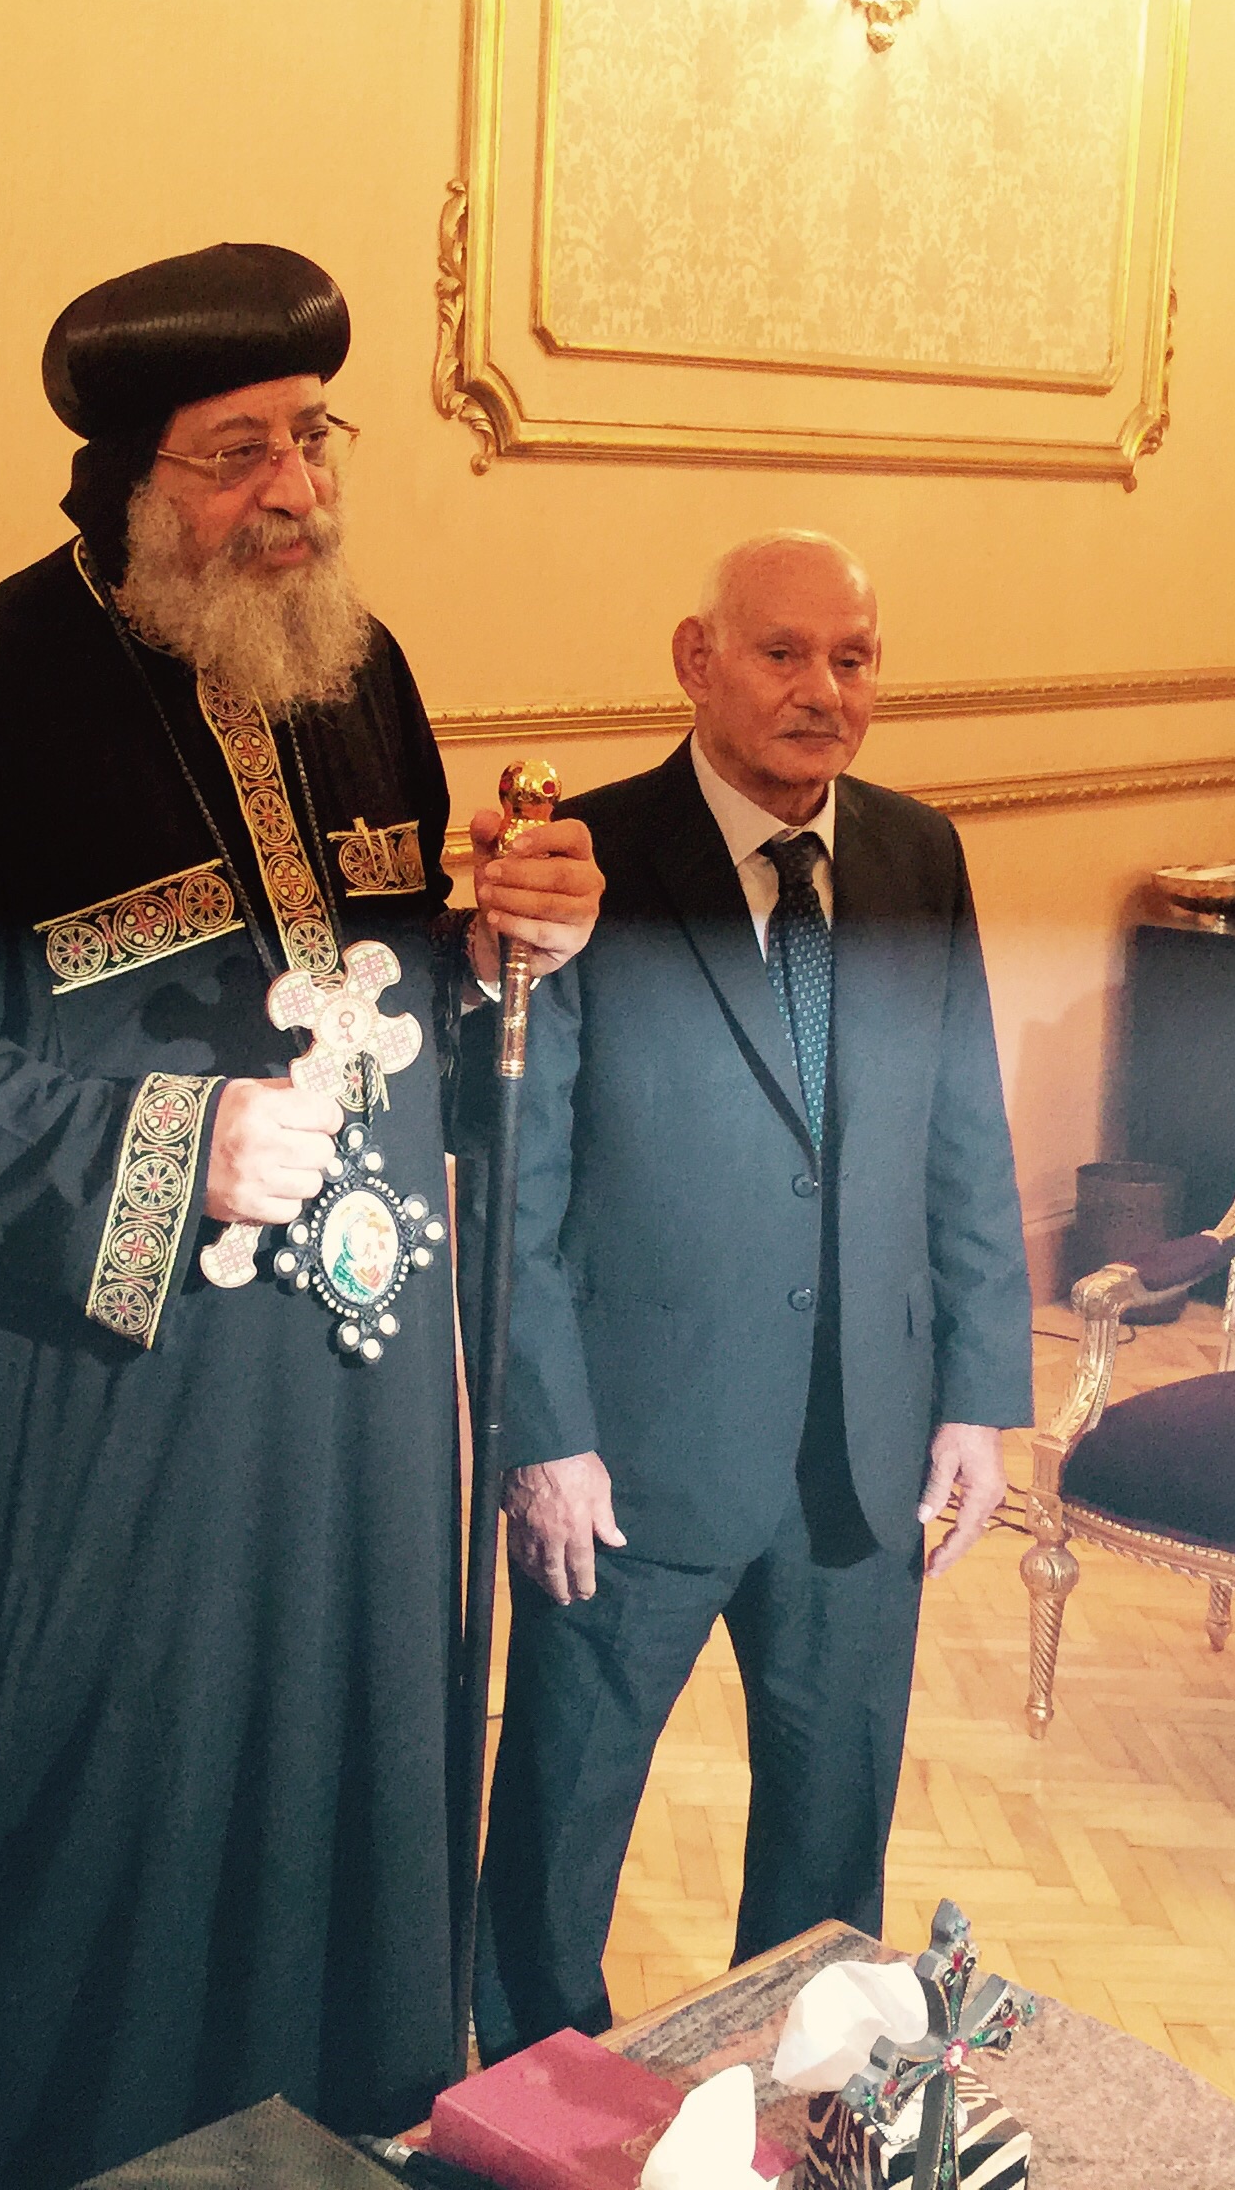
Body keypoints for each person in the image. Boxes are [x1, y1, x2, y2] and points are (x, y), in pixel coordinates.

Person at [0, 242, 602, 2188]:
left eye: (312, 439)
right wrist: (153, 1150)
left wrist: (510, 955)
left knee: (346, 1788)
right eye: (238, 454)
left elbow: (390, 985)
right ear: (127, 481)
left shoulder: (359, 673)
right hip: (104, 1417)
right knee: (107, 1841)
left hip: (352, 1412)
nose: (295, 490)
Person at [471, 530, 1032, 2056]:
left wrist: (979, 1394)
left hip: (862, 1448)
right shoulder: (584, 861)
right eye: (783, 654)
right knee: (559, 1834)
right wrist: (543, 1433)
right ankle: (530, 2113)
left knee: (830, 1852)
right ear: (696, 657)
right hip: (627, 1458)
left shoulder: (919, 855)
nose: (821, 691)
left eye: (853, 659)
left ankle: (798, 2104)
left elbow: (966, 1135)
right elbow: (517, 1184)